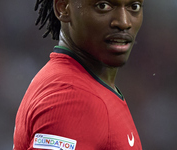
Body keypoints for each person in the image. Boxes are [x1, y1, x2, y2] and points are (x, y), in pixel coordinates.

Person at [13, 0, 144, 149]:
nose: (123, 22)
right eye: (103, 6)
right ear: (63, 7)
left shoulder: (79, 85)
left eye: (134, 7)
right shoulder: (72, 97)